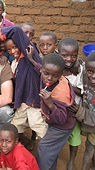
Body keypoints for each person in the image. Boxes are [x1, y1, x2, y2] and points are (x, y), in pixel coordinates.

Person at [0, 26, 48, 149]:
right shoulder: (16, 63)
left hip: (34, 105)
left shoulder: (29, 54)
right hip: (22, 104)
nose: (13, 51)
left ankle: (44, 158)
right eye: (9, 49)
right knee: (15, 128)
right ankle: (17, 153)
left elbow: (16, 30)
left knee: (42, 134)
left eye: (15, 47)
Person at [27, 53, 76, 170]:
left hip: (63, 126)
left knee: (44, 148)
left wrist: (50, 104)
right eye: (46, 73)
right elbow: (40, 69)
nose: (49, 78)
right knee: (50, 152)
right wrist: (30, 59)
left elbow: (61, 119)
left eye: (55, 76)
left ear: (61, 75)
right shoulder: (47, 74)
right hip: (54, 122)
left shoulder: (60, 93)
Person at [58, 37, 83, 170]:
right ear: (58, 53)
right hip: (58, 110)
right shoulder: (56, 67)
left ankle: (72, 160)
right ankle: (55, 155)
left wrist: (67, 83)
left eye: (73, 56)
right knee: (57, 135)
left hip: (73, 111)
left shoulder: (79, 71)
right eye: (64, 55)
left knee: (74, 136)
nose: (69, 59)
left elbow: (83, 92)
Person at [69, 52, 95, 170]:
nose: (93, 76)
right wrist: (77, 62)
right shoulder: (84, 73)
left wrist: (80, 112)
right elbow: (82, 65)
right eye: (90, 72)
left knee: (90, 146)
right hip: (87, 121)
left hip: (91, 121)